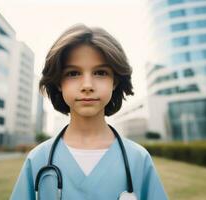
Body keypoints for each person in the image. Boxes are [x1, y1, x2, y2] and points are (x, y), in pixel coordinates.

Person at [10, 24, 168, 200]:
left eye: (100, 72)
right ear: (58, 82)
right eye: (73, 73)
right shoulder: (38, 160)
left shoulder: (138, 159)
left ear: (114, 81)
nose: (87, 86)